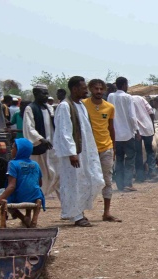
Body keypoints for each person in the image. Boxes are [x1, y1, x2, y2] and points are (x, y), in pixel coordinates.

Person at [53, 76, 106, 228]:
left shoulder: (81, 105)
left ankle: (78, 210)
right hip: (73, 153)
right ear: (75, 89)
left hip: (86, 151)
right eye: (84, 88)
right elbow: (64, 132)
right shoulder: (64, 106)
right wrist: (72, 153)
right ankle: (76, 215)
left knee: (95, 180)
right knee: (73, 184)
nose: (86, 91)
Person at [82, 79, 121, 222]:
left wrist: (114, 148)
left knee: (107, 180)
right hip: (88, 149)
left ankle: (106, 212)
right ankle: (81, 212)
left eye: (101, 89)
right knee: (86, 179)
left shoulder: (109, 107)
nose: (98, 91)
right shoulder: (83, 105)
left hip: (106, 147)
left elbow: (111, 128)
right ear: (90, 89)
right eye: (95, 89)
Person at [0, 138, 46, 227]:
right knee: (30, 187)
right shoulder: (36, 164)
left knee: (8, 197)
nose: (11, 150)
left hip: (20, 197)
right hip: (35, 197)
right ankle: (28, 215)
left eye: (13, 148)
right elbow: (40, 183)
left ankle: (23, 218)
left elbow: (11, 186)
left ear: (19, 150)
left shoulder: (13, 163)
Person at [22, 84, 60, 197]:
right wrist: (41, 139)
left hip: (51, 147)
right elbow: (29, 128)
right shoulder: (30, 108)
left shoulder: (48, 108)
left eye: (47, 93)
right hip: (38, 147)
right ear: (35, 94)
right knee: (39, 175)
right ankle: (37, 198)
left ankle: (64, 200)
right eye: (44, 93)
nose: (46, 95)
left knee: (57, 173)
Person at [107, 77, 139, 192]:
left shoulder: (110, 96)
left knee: (118, 159)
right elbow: (132, 116)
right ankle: (128, 184)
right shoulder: (128, 97)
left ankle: (120, 184)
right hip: (127, 134)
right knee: (130, 159)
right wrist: (137, 130)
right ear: (124, 85)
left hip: (115, 134)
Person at [131, 94, 155, 181]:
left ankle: (140, 175)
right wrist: (152, 125)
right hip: (148, 128)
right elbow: (151, 112)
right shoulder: (140, 98)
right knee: (150, 151)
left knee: (138, 153)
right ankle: (152, 172)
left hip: (137, 130)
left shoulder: (128, 100)